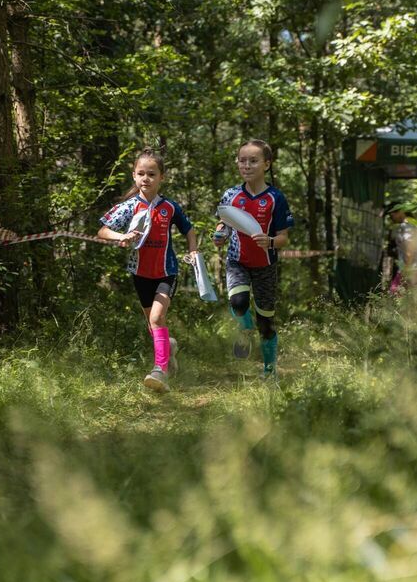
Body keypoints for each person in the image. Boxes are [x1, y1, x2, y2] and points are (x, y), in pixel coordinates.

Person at [98, 148, 199, 393]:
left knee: (156, 318)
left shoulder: (170, 207)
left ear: (161, 177)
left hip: (167, 271)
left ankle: (160, 370)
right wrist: (121, 236)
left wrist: (193, 251)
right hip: (140, 273)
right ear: (134, 176)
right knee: (152, 324)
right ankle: (169, 349)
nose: (146, 178)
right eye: (141, 173)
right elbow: (102, 231)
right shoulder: (129, 206)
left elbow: (189, 230)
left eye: (152, 174)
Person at [213, 139, 294, 378]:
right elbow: (225, 223)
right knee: (238, 302)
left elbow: (283, 238)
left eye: (253, 161)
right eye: (242, 160)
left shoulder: (275, 198)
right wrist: (220, 235)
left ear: (266, 164)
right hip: (237, 261)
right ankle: (244, 329)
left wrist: (269, 242)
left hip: (265, 266)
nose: (246, 165)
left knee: (266, 322)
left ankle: (269, 371)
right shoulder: (231, 195)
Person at [386, 203, 417, 292]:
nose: (392, 219)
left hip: (411, 268)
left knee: (395, 293)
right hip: (413, 267)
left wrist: (406, 270)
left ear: (400, 212)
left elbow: (410, 248)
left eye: (392, 216)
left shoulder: (407, 226)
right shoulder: (412, 224)